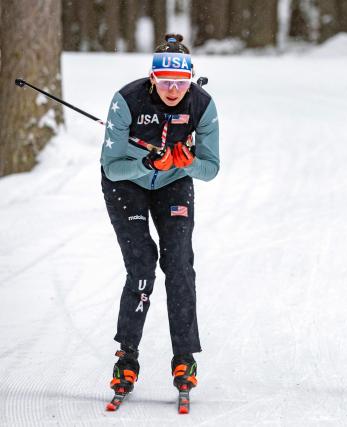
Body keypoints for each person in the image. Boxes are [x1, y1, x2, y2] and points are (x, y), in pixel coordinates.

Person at [100, 33, 219, 397]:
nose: (172, 90)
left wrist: (189, 162)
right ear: (152, 78)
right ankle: (127, 357)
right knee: (141, 265)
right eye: (165, 81)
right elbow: (111, 166)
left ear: (190, 79)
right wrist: (147, 161)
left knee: (179, 263)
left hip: (173, 182)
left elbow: (210, 168)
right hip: (127, 185)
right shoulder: (127, 100)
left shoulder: (202, 105)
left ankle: (184, 356)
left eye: (180, 83)